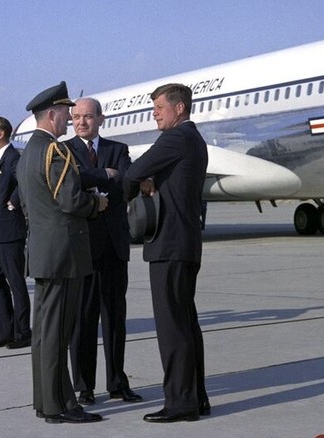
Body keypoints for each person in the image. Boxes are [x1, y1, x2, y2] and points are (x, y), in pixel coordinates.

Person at [16, 81, 107, 424]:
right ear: (51, 114)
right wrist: (97, 202)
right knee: (56, 333)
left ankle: (51, 401)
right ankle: (57, 405)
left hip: (45, 251)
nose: (70, 119)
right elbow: (70, 201)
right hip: (63, 255)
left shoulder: (28, 153)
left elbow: (30, 205)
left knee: (45, 333)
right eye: (66, 113)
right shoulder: (54, 151)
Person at [123, 83, 210, 422]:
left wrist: (139, 182)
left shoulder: (175, 139)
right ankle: (195, 397)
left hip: (170, 245)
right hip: (185, 244)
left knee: (173, 328)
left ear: (180, 109)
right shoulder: (194, 139)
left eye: (160, 107)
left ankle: (180, 403)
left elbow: (132, 171)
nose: (155, 113)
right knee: (186, 325)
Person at [64, 97, 141, 405]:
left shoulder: (118, 150)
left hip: (113, 247)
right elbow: (72, 181)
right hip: (82, 248)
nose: (81, 122)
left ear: (101, 119)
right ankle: (84, 386)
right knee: (82, 320)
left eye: (87, 116)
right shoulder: (66, 151)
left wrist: (96, 185)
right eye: (76, 117)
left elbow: (126, 185)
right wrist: (103, 177)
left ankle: (117, 383)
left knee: (114, 318)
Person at [0, 115, 31, 350]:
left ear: (1, 133)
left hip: (10, 231)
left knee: (16, 283)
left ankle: (22, 333)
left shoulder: (13, 158)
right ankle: (3, 332)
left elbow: (25, 181)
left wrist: (14, 202)